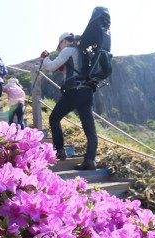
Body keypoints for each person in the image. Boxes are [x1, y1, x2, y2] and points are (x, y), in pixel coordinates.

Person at [40, 32, 98, 170]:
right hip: (87, 92)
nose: (60, 49)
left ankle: (59, 150)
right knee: (90, 129)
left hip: (74, 91)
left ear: (64, 41)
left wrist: (45, 58)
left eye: (60, 45)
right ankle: (90, 160)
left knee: (54, 118)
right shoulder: (83, 51)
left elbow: (51, 67)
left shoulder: (68, 50)